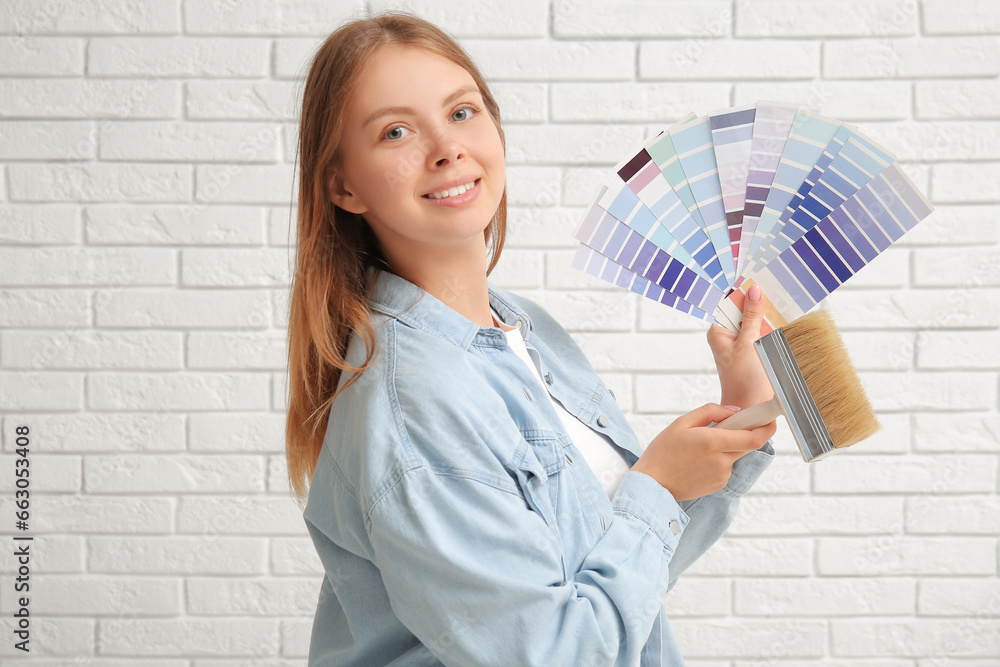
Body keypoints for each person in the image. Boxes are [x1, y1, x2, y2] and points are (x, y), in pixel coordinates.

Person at [284, 11, 777, 666]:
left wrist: (741, 416)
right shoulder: (414, 401)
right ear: (343, 185)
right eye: (396, 131)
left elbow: (616, 583)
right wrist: (655, 485)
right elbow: (558, 653)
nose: (446, 148)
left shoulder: (526, 328)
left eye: (462, 113)